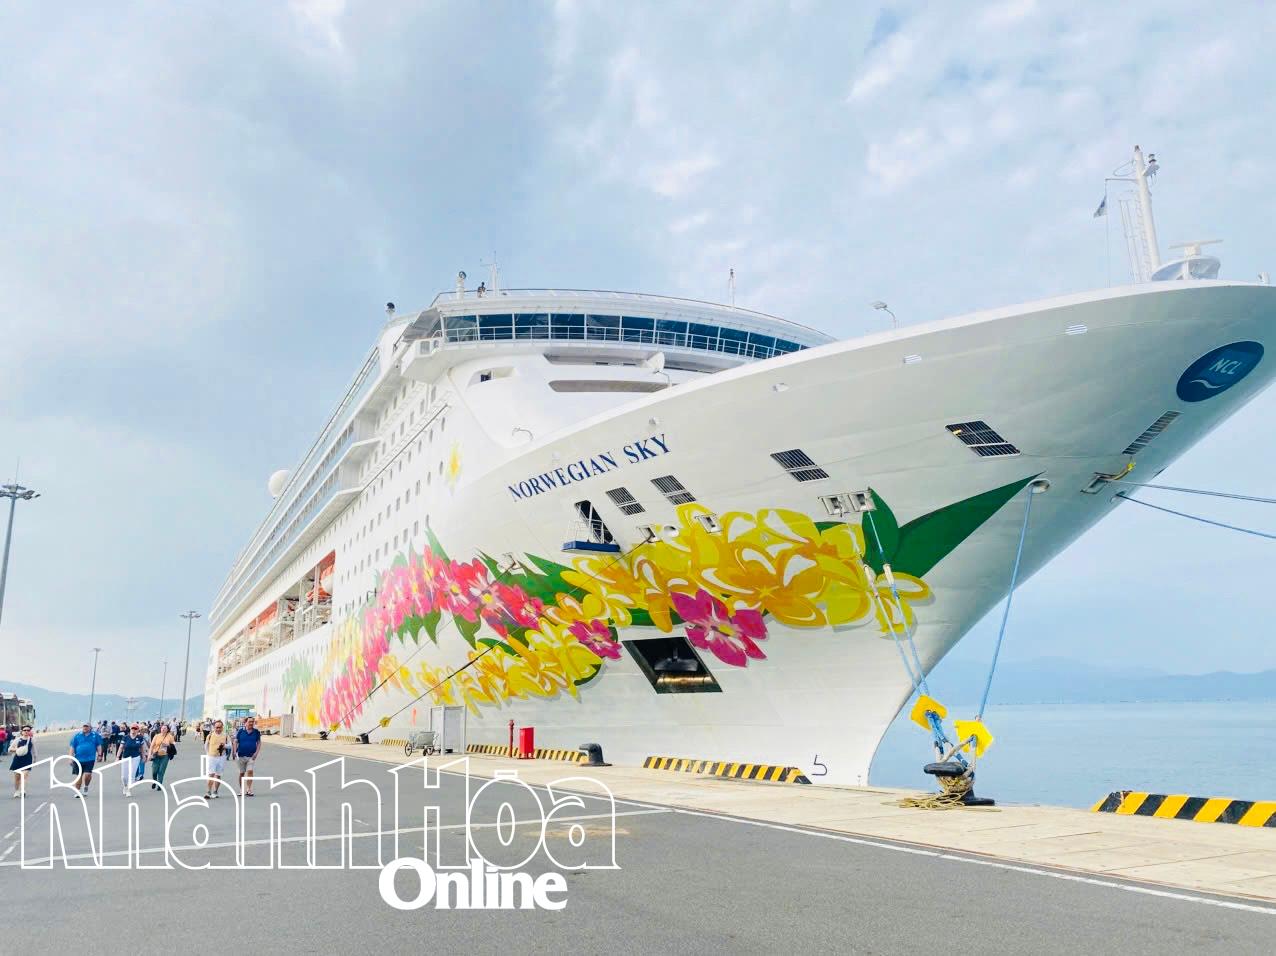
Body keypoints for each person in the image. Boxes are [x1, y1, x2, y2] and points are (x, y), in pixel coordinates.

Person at [68, 722, 104, 798]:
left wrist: (100, 755)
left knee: (87, 775)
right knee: (79, 776)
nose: (85, 728)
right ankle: (78, 791)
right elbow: (72, 747)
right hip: (78, 759)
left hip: (90, 759)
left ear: (90, 728)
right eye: (84, 726)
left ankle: (86, 786)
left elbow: (99, 746)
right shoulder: (77, 736)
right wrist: (70, 758)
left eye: (87, 727)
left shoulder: (95, 735)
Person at [232, 716, 262, 797]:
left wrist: (256, 753)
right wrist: (234, 752)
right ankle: (241, 789)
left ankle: (248, 789)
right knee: (242, 773)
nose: (251, 723)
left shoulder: (256, 732)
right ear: (245, 723)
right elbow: (235, 742)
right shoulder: (241, 731)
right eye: (249, 721)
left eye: (252, 721)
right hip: (241, 756)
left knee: (250, 771)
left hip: (251, 756)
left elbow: (259, 743)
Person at [118, 724, 149, 796]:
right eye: (132, 728)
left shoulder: (140, 738)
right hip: (125, 757)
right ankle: (125, 786)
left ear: (138, 730)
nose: (134, 730)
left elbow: (142, 748)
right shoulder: (125, 737)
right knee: (123, 777)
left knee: (132, 774)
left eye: (135, 728)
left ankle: (129, 789)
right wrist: (117, 757)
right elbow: (121, 747)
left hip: (135, 757)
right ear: (130, 729)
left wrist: (143, 756)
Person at [204, 720, 229, 799]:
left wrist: (225, 746)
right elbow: (206, 745)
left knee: (218, 775)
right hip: (212, 757)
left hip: (221, 757)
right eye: (216, 727)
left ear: (222, 727)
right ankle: (208, 791)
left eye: (220, 727)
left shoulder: (226, 736)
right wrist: (208, 754)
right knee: (211, 774)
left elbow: (230, 745)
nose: (218, 729)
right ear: (214, 727)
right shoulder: (210, 735)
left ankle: (215, 791)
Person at [9, 725, 34, 797]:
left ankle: (23, 791)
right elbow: (9, 749)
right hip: (18, 759)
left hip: (27, 759)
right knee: (17, 777)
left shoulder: (32, 740)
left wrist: (35, 759)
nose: (26, 731)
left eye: (28, 730)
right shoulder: (17, 740)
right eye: (25, 730)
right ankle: (17, 791)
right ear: (22, 732)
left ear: (30, 732)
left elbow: (34, 751)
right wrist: (17, 749)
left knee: (24, 775)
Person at [149, 723, 176, 790]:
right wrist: (149, 755)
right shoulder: (156, 736)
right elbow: (151, 746)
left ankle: (159, 785)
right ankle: (155, 781)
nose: (163, 729)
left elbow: (173, 745)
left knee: (161, 771)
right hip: (156, 755)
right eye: (162, 728)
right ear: (160, 729)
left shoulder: (170, 736)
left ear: (167, 730)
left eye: (165, 728)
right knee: (154, 771)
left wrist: (168, 745)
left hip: (165, 756)